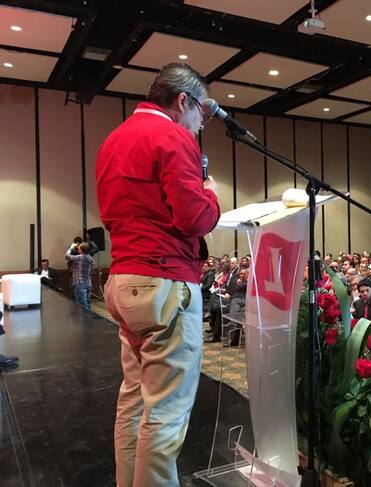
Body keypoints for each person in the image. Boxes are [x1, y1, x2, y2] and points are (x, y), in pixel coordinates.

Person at [96, 63, 220, 486]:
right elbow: (194, 218)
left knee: (133, 404)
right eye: (201, 112)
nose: (200, 123)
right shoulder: (173, 136)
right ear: (183, 100)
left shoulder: (114, 139)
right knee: (166, 415)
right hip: (164, 282)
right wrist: (211, 195)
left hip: (123, 280)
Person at [65, 242, 94, 310]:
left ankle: (84, 317)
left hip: (80, 283)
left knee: (82, 305)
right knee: (88, 304)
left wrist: (71, 248)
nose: (77, 247)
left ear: (81, 249)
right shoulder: (90, 258)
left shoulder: (80, 257)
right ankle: (88, 316)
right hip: (88, 283)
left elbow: (67, 256)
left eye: (79, 247)